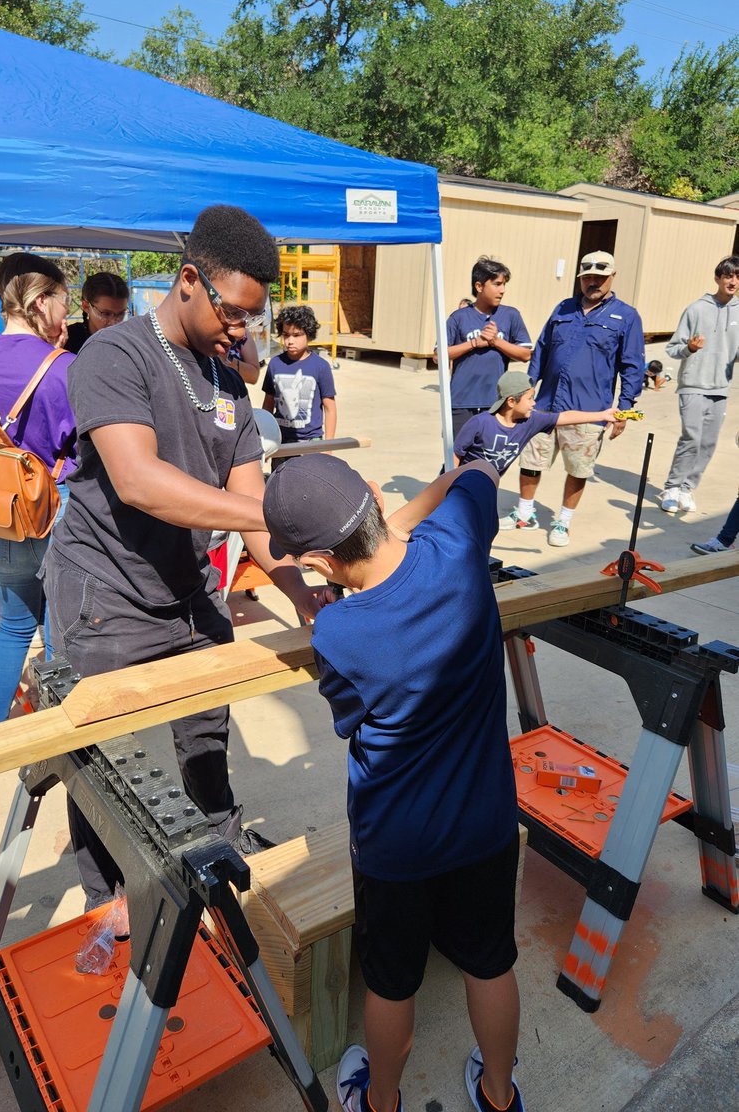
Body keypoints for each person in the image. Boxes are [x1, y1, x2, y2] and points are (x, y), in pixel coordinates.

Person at [42, 205, 324, 909]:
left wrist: (301, 592)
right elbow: (139, 482)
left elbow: (250, 506)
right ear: (191, 280)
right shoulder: (116, 355)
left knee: (206, 736)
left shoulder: (226, 383)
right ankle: (111, 907)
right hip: (108, 595)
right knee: (104, 767)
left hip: (190, 594)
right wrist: (279, 513)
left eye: (253, 321)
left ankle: (215, 861)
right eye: (234, 314)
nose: (243, 332)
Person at [263, 454, 523, 1112]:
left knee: (391, 981)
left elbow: (353, 720)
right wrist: (478, 455)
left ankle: (379, 1102)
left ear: (318, 562)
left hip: (396, 848)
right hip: (486, 822)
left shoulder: (339, 632)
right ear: (377, 496)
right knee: (491, 962)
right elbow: (475, 477)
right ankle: (498, 1093)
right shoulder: (458, 544)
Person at [0, 263, 77, 727]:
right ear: (40, 302)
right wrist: (57, 355)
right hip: (55, 505)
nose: (66, 314)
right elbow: (75, 439)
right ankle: (55, 730)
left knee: (12, 626)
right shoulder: (66, 366)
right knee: (57, 632)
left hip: (0, 504)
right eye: (65, 302)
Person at [501, 250, 644, 547]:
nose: (593, 282)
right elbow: (541, 350)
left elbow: (632, 366)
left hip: (589, 410)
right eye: (588, 276)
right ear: (580, 279)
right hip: (546, 404)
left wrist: (624, 411)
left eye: (600, 277)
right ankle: (525, 513)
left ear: (612, 277)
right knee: (530, 460)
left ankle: (563, 522)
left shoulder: (626, 316)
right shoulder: (563, 309)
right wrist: (528, 391)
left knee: (578, 468)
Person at [659, 256, 739, 513]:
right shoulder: (696, 309)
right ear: (718, 278)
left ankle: (686, 489)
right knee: (691, 437)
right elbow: (672, 348)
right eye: (728, 276)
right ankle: (671, 488)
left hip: (720, 387)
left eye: (737, 277)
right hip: (693, 384)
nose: (733, 282)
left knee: (708, 443)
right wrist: (690, 348)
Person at [454, 371, 617, 475]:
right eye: (530, 398)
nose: (534, 403)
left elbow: (564, 417)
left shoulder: (531, 421)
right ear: (511, 401)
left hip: (488, 485)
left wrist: (602, 415)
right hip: (460, 481)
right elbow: (456, 454)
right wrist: (450, 483)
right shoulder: (480, 423)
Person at [445, 257, 532, 440]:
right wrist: (473, 344)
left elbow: (525, 354)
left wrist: (496, 341)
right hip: (461, 402)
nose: (503, 290)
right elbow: (439, 356)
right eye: (497, 284)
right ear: (479, 286)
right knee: (457, 458)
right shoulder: (459, 317)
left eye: (504, 284)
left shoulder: (511, 315)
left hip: (496, 403)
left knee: (487, 458)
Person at [262, 304, 337, 460]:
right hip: (280, 442)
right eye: (286, 335)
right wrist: (266, 439)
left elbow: (330, 408)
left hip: (311, 443)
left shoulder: (321, 367)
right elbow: (268, 405)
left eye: (296, 335)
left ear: (308, 335)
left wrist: (328, 446)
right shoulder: (275, 364)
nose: (290, 341)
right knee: (282, 482)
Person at [64, 272, 130, 354]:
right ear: (86, 307)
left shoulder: (129, 341)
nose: (114, 322)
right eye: (106, 314)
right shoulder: (67, 340)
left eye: (121, 314)